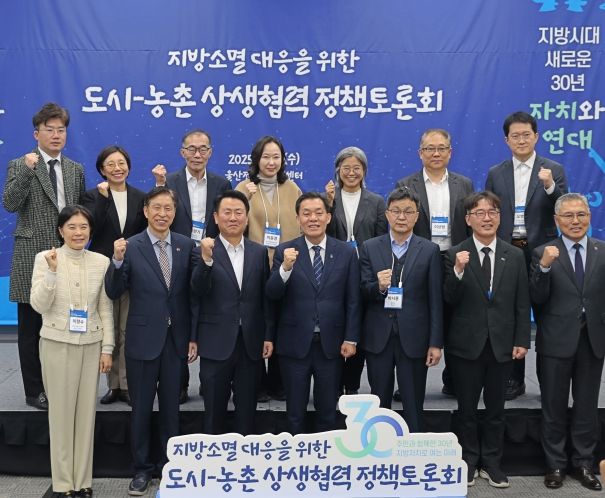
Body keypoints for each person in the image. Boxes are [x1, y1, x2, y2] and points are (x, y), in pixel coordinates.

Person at [104, 187, 199, 496]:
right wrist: (117, 262)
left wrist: (193, 337)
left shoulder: (187, 245)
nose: (162, 214)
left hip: (175, 341)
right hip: (142, 340)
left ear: (175, 212)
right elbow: (114, 291)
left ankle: (170, 466)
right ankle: (142, 469)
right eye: (156, 207)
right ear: (145, 211)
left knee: (172, 409)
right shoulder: (130, 247)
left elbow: (193, 295)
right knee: (141, 409)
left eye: (168, 208)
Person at [443, 191, 530, 488]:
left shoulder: (514, 255)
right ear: (468, 220)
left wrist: (522, 340)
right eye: (479, 213)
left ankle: (492, 463)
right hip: (465, 345)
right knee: (466, 410)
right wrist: (457, 270)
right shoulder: (454, 254)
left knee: (496, 410)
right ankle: (468, 461)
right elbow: (448, 299)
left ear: (500, 217)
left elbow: (522, 302)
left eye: (492, 212)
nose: (487, 218)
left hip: (502, 344)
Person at [3, 102, 86, 410]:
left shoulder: (75, 169)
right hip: (31, 255)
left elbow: (80, 213)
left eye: (61, 130)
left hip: (67, 255)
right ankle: (34, 390)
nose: (56, 135)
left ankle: (63, 386)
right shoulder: (20, 164)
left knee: (65, 325)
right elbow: (10, 203)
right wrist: (28, 171)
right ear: (36, 134)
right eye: (49, 130)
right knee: (30, 328)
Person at [30, 205, 113, 497]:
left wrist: (107, 348)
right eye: (72, 227)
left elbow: (105, 308)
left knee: (86, 416)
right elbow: (38, 305)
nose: (78, 233)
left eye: (83, 227)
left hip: (91, 345)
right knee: (61, 416)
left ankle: (83, 482)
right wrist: (52, 274)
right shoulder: (45, 259)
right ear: (60, 230)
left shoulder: (101, 262)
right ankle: (64, 483)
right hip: (56, 344)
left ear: (90, 231)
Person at [485, 111, 568, 400]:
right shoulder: (496, 173)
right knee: (511, 315)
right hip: (508, 250)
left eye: (526, 135)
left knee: (547, 316)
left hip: (542, 251)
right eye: (515, 136)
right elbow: (489, 211)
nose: (521, 140)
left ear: (536, 137)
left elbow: (564, 207)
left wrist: (549, 186)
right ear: (506, 140)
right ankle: (514, 379)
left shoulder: (553, 169)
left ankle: (549, 382)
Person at [266, 192, 361, 434]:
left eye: (319, 213)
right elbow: (272, 294)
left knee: (327, 410)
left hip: (331, 345)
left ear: (328, 217)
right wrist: (285, 268)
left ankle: (325, 455)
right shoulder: (285, 251)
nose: (313, 218)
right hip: (294, 344)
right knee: (294, 412)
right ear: (298, 218)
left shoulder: (346, 252)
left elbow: (353, 300)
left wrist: (351, 338)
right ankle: (295, 455)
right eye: (306, 214)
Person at [529, 193, 604, 491]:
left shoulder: (602, 250)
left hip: (593, 341)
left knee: (587, 406)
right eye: (569, 216)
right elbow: (536, 298)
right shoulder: (542, 252)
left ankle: (584, 464)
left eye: (581, 215)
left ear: (589, 217)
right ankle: (555, 465)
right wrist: (544, 267)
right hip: (555, 341)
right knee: (553, 406)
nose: (576, 221)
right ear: (557, 220)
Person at [152, 129, 231, 403]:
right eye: (192, 149)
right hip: (177, 254)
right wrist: (159, 186)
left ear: (210, 152)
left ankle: (211, 381)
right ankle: (180, 382)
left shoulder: (222, 183)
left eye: (203, 149)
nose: (197, 154)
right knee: (179, 316)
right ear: (182, 152)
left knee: (211, 316)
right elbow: (158, 214)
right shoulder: (170, 182)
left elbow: (227, 220)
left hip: (212, 256)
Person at [396, 129, 474, 398]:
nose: (436, 153)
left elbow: (470, 223)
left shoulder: (464, 184)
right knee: (417, 315)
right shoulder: (406, 184)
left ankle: (453, 378)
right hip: (420, 257)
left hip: (454, 256)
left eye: (441, 148)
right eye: (430, 148)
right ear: (421, 153)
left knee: (455, 316)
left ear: (450, 152)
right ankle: (410, 381)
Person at [359, 188, 442, 432]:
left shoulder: (429, 250)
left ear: (417, 216)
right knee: (379, 403)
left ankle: (412, 448)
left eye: (408, 211)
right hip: (378, 337)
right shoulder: (370, 247)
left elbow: (435, 300)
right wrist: (379, 287)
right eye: (396, 211)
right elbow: (362, 290)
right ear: (387, 214)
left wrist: (435, 343)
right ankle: (379, 448)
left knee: (413, 403)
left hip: (414, 338)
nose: (401, 217)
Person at [192, 190, 274, 434]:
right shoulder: (203, 250)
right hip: (215, 342)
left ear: (247, 218)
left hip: (250, 342)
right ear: (216, 218)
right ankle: (213, 454)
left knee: (247, 410)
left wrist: (268, 335)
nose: (233, 218)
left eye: (239, 212)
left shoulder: (259, 252)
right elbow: (196, 292)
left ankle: (244, 453)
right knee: (213, 410)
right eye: (227, 212)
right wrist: (206, 261)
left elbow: (265, 299)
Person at [235, 136, 301, 401]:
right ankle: (257, 382)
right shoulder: (244, 187)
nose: (271, 162)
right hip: (255, 263)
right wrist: (244, 198)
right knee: (255, 322)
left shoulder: (292, 188)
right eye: (266, 157)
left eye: (276, 157)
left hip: (286, 264)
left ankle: (277, 381)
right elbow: (232, 222)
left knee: (281, 321)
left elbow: (301, 223)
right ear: (256, 159)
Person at [80, 145, 146, 406]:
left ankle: (127, 384)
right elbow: (91, 228)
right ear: (101, 170)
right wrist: (103, 198)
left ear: (128, 166)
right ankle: (112, 385)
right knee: (108, 327)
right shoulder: (91, 196)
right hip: (102, 268)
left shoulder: (140, 197)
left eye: (121, 163)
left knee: (127, 328)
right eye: (111, 164)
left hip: (132, 269)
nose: (117, 168)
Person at [324, 146, 387, 396]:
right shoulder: (327, 199)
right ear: (337, 170)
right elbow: (322, 234)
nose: (351, 173)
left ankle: (352, 386)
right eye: (346, 168)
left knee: (358, 327)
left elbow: (381, 240)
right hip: (335, 272)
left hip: (365, 274)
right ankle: (333, 386)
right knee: (336, 326)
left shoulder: (377, 201)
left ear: (364, 171)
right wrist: (329, 204)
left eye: (356, 168)